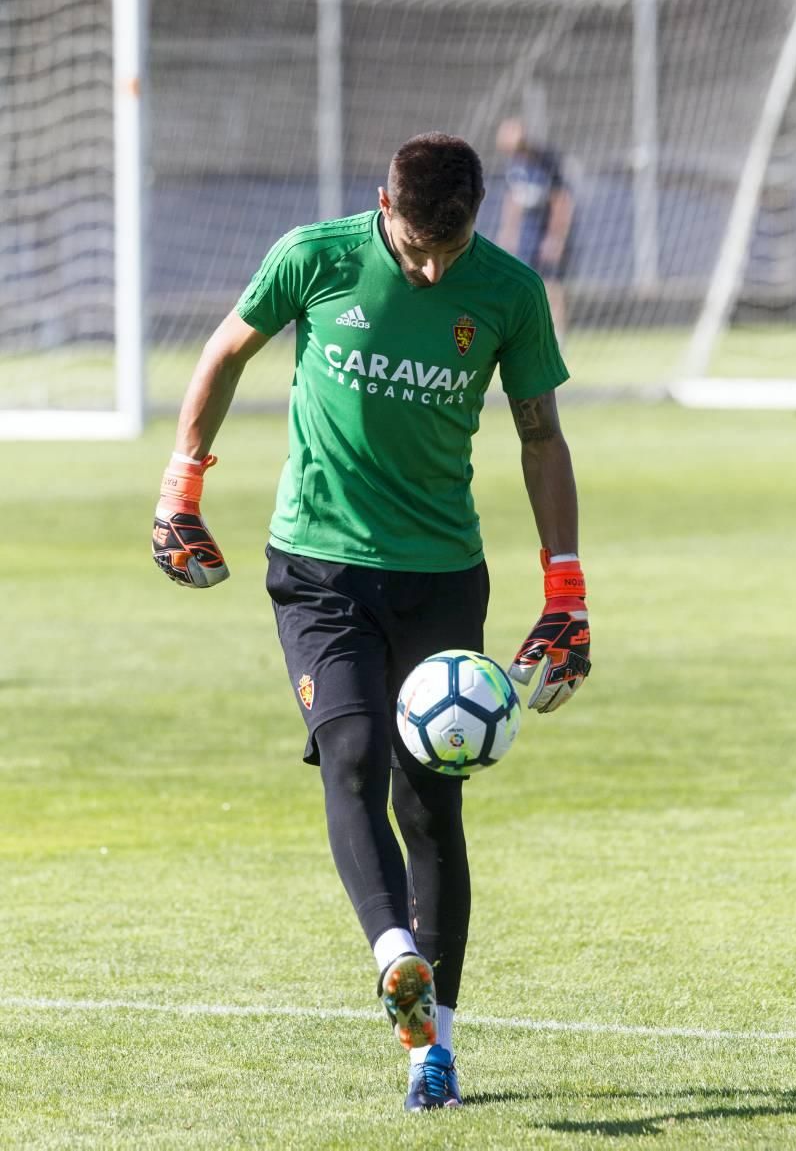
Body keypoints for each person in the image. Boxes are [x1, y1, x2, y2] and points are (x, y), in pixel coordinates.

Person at [152, 132, 591, 1113]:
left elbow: (538, 436)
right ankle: (396, 958)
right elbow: (225, 352)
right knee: (349, 752)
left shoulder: (509, 293)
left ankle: (433, 1048)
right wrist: (181, 486)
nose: (434, 270)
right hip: (318, 567)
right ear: (383, 201)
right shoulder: (313, 256)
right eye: (416, 248)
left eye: (451, 249)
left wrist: (564, 590)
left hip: (441, 576)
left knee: (430, 806)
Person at [495, 116, 574, 341]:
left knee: (551, 285)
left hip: (546, 231)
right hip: (527, 233)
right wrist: (508, 232)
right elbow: (513, 199)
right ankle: (526, 334)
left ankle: (558, 338)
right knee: (523, 283)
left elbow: (561, 200)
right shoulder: (513, 164)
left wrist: (555, 237)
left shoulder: (546, 161)